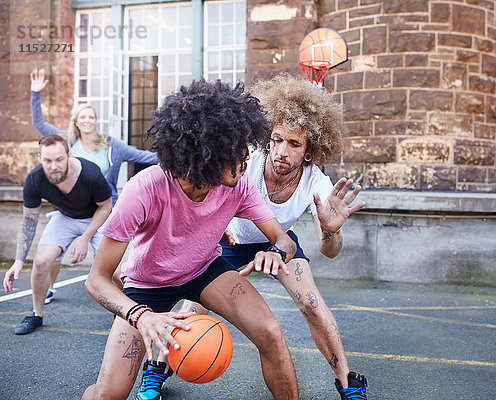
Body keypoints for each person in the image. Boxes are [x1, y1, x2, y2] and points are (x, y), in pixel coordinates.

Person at [137, 73, 368, 400]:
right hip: (229, 240)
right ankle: (156, 368)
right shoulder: (244, 159)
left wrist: (331, 229)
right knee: (193, 308)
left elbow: (329, 251)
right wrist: (216, 226)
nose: (281, 151)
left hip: (278, 243)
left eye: (294, 143)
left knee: (311, 302)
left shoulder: (316, 183)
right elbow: (205, 196)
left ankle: (347, 382)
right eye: (276, 139)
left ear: (309, 150)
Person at [82, 79, 299, 400]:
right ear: (205, 152)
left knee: (269, 332)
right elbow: (96, 279)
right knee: (108, 394)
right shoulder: (145, 188)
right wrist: (140, 315)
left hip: (204, 270)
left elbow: (284, 238)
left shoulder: (238, 185)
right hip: (147, 287)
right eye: (235, 148)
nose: (246, 155)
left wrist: (277, 253)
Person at [30, 68, 158, 303]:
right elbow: (38, 122)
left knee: (116, 266)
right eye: (83, 117)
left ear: (96, 121)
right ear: (76, 122)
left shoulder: (111, 145)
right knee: (51, 257)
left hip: (103, 210)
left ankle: (130, 304)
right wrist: (35, 94)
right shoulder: (65, 142)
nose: (88, 120)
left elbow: (145, 157)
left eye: (91, 116)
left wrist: (178, 152)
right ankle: (47, 287)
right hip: (71, 209)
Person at [3, 134, 112, 335]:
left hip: (97, 218)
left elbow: (106, 207)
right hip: (66, 218)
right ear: (39, 158)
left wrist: (85, 237)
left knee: (116, 271)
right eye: (48, 161)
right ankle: (36, 314)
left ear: (69, 155)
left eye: (59, 160)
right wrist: (18, 260)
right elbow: (28, 221)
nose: (54, 166)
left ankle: (121, 314)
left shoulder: (90, 174)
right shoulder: (35, 180)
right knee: (41, 262)